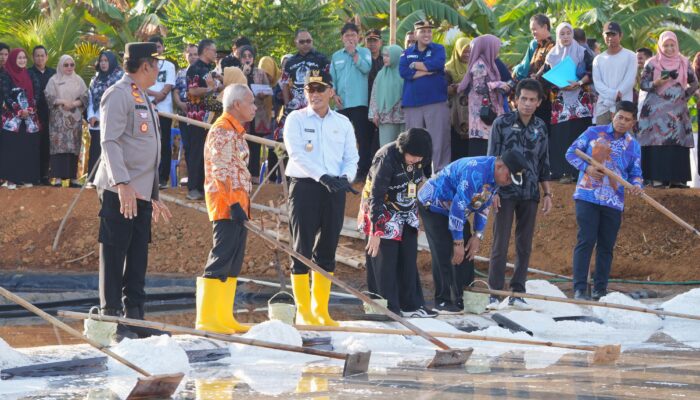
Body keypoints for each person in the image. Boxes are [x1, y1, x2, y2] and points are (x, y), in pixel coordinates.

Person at [93, 42, 172, 339]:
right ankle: (112, 318)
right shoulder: (118, 95)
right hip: (120, 191)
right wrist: (122, 184)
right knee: (115, 254)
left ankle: (136, 317)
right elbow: (109, 142)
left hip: (141, 192)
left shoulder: (144, 97)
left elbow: (147, 151)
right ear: (145, 65)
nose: (158, 70)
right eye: (156, 64)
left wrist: (154, 195)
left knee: (138, 255)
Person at [283, 69, 359, 326]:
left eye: (319, 89)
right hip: (305, 187)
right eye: (309, 90)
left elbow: (352, 157)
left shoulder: (343, 123)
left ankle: (321, 311)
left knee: (327, 248)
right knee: (301, 247)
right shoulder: (295, 118)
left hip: (334, 189)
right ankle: (304, 310)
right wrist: (323, 176)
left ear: (331, 92)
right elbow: (296, 154)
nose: (314, 94)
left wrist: (345, 177)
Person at [418, 150, 529, 314]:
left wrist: (477, 235)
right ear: (500, 166)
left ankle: (462, 297)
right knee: (444, 250)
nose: (508, 182)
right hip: (433, 204)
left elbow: (483, 204)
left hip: (455, 209)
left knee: (467, 252)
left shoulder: (498, 177)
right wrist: (457, 242)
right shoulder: (475, 172)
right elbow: (458, 206)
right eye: (508, 177)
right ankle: (442, 300)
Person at [565, 101, 643, 300]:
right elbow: (570, 153)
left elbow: (636, 172)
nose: (622, 122)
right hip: (587, 196)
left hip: (613, 200)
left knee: (606, 246)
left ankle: (600, 290)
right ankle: (580, 289)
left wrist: (637, 185)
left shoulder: (633, 145)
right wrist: (587, 168)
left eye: (627, 119)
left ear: (633, 122)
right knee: (586, 240)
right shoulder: (593, 133)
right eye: (620, 117)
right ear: (613, 115)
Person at [486, 79, 552, 310]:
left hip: (530, 192)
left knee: (524, 244)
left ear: (539, 102)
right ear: (515, 99)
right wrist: (492, 190)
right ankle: (494, 292)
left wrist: (547, 193)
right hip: (504, 191)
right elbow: (491, 159)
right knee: (500, 242)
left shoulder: (541, 127)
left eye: (532, 100)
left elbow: (544, 161)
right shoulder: (501, 123)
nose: (527, 103)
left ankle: (517, 292)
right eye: (523, 98)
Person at [197, 84, 257, 334]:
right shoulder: (222, 130)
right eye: (251, 102)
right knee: (221, 257)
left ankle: (224, 316)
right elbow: (220, 171)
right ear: (237, 105)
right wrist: (233, 203)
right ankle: (207, 318)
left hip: (239, 203)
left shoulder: (236, 132)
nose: (255, 107)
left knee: (233, 261)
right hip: (226, 205)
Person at [359, 128, 437, 318]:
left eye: (420, 157)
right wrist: (376, 231)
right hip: (381, 208)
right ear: (403, 149)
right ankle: (388, 308)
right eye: (412, 156)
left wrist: (416, 216)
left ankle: (411, 305)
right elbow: (376, 195)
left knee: (408, 257)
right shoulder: (386, 157)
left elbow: (424, 179)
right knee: (385, 259)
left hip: (406, 206)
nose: (416, 160)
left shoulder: (422, 156)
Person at [637, 31, 698, 188]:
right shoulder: (652, 63)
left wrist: (684, 95)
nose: (669, 48)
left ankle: (676, 179)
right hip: (655, 111)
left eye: (672, 45)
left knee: (676, 142)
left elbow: (695, 83)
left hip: (677, 111)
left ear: (676, 45)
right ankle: (657, 179)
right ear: (660, 46)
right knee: (657, 141)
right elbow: (642, 84)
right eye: (666, 45)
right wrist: (656, 83)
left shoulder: (684, 62)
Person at [542, 22, 594, 182]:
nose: (565, 37)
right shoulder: (551, 55)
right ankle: (564, 172)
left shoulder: (582, 51)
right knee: (561, 135)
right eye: (562, 34)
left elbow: (591, 72)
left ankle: (581, 170)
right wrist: (560, 84)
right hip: (560, 101)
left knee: (580, 133)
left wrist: (577, 83)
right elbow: (545, 78)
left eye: (568, 33)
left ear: (572, 34)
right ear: (558, 36)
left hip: (581, 99)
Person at [399, 20, 450, 173]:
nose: (427, 34)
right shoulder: (406, 52)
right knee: (413, 142)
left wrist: (414, 65)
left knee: (439, 141)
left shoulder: (438, 49)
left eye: (429, 31)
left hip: (436, 101)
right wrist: (426, 70)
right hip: (412, 104)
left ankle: (441, 175)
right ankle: (414, 176)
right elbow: (403, 72)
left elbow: (436, 64)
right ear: (415, 34)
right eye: (423, 31)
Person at [330, 22, 373, 182]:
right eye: (347, 35)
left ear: (358, 37)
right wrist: (333, 95)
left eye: (353, 35)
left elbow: (366, 68)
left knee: (362, 138)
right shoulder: (336, 56)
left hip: (359, 103)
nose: (350, 38)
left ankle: (362, 172)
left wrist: (354, 53)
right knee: (340, 138)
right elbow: (331, 79)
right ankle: (340, 170)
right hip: (341, 104)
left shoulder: (364, 52)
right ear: (342, 38)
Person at [457, 34, 511, 156]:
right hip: (482, 114)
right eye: (495, 47)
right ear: (488, 47)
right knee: (482, 147)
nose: (497, 51)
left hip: (488, 111)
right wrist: (499, 84)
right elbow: (479, 87)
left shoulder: (489, 63)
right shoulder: (480, 65)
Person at [0, 48, 41, 189]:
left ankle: (25, 177)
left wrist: (30, 109)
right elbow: (6, 94)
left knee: (27, 147)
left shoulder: (30, 73)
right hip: (12, 120)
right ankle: (11, 179)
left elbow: (37, 93)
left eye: (24, 58)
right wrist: (18, 110)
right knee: (12, 148)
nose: (22, 60)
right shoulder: (6, 75)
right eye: (19, 58)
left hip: (30, 119)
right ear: (13, 59)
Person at [45, 54, 88, 187]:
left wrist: (74, 104)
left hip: (74, 119)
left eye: (72, 65)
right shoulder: (54, 80)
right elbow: (48, 96)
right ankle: (57, 178)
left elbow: (85, 96)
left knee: (73, 148)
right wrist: (63, 101)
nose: (69, 67)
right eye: (66, 65)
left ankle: (73, 178)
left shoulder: (78, 80)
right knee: (58, 147)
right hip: (58, 120)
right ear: (60, 66)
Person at [186, 39, 220, 200]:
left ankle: (202, 186)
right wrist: (210, 89)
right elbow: (192, 90)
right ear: (206, 51)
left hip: (209, 117)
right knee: (196, 152)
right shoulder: (195, 68)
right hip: (196, 117)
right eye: (214, 50)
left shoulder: (208, 69)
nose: (215, 53)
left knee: (207, 152)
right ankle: (193, 187)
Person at [511, 14, 555, 135]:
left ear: (545, 27)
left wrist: (536, 79)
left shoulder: (553, 47)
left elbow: (549, 72)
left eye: (534, 29)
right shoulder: (537, 46)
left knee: (542, 134)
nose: (533, 33)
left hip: (544, 99)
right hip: (534, 99)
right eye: (531, 30)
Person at [145, 36, 177, 189]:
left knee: (164, 144)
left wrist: (156, 99)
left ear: (163, 48)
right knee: (148, 143)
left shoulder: (169, 65)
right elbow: (142, 86)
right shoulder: (145, 65)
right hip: (146, 110)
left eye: (158, 46)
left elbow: (168, 86)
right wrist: (153, 97)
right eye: (153, 47)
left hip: (164, 112)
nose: (156, 50)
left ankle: (162, 178)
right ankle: (148, 177)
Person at [87, 50, 123, 184]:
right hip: (96, 121)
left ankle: (112, 180)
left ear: (112, 61)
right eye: (101, 61)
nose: (103, 64)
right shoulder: (95, 79)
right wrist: (91, 116)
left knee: (112, 150)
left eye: (106, 61)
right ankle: (93, 179)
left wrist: (102, 118)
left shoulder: (120, 78)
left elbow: (118, 100)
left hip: (113, 120)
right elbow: (90, 99)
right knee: (96, 149)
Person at [592, 22, 637, 125]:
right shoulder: (598, 59)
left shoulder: (631, 56)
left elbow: (629, 81)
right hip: (603, 108)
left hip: (624, 109)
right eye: (607, 35)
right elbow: (598, 84)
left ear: (620, 36)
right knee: (602, 139)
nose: (610, 38)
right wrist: (614, 97)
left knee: (624, 140)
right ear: (603, 36)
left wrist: (615, 105)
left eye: (613, 34)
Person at [281, 29, 330, 123]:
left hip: (316, 102)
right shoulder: (290, 62)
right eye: (302, 41)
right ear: (296, 43)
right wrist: (287, 103)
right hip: (296, 104)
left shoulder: (322, 59)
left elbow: (329, 81)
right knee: (284, 129)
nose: (305, 44)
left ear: (312, 41)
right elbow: (284, 83)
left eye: (308, 41)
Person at [28, 45, 56, 184]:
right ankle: (34, 176)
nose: (40, 58)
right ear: (33, 58)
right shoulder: (28, 73)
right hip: (33, 116)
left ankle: (45, 176)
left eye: (42, 55)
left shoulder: (53, 73)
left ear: (46, 57)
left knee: (47, 146)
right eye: (37, 55)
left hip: (51, 115)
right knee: (34, 146)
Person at [369, 44, 404, 146]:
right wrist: (374, 113)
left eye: (388, 56)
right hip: (386, 117)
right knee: (386, 148)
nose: (385, 58)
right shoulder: (381, 74)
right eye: (384, 55)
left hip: (403, 116)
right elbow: (375, 94)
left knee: (405, 148)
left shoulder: (405, 73)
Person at [445, 37, 471, 160]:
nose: (467, 54)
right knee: (456, 148)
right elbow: (443, 91)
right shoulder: (448, 69)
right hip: (454, 115)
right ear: (458, 50)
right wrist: (455, 88)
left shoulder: (475, 67)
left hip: (471, 116)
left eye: (469, 51)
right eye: (464, 51)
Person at [173, 44, 198, 164]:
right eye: (190, 54)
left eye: (195, 54)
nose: (193, 57)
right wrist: (179, 103)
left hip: (198, 113)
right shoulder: (181, 73)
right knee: (187, 145)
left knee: (196, 146)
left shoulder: (203, 72)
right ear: (185, 56)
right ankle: (189, 176)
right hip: (183, 112)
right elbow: (176, 91)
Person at [635, 47, 654, 118]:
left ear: (649, 59)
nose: (637, 61)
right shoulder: (641, 73)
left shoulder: (655, 73)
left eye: (640, 58)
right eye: (636, 59)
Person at [366, 29, 384, 97]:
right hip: (365, 98)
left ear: (381, 42)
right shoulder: (361, 60)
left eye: (375, 41)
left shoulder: (386, 59)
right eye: (369, 41)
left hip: (381, 96)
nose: (372, 44)